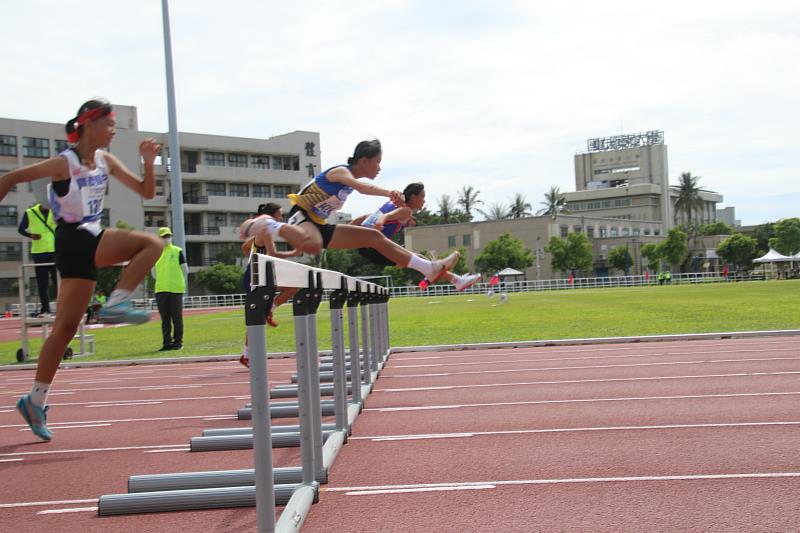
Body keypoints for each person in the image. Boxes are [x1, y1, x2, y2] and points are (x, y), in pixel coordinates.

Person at [1, 98, 164, 441]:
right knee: (152, 244)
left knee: (64, 330)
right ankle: (118, 302)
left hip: (84, 240)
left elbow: (146, 192)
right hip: (75, 236)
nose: (113, 132)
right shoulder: (66, 162)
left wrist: (148, 162)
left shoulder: (106, 160)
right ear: (89, 124)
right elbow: (12, 177)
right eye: (109, 125)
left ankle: (34, 401)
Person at [239, 139, 460, 282]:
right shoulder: (340, 172)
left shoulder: (347, 180)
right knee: (313, 242)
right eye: (377, 162)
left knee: (373, 237)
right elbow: (363, 187)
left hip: (320, 225)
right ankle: (269, 224)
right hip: (302, 218)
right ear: (364, 160)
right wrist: (388, 193)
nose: (379, 168)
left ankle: (427, 268)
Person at [353, 182, 480, 291]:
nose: (424, 201)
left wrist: (340, 234)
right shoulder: (405, 210)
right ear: (413, 197)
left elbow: (364, 217)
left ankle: (455, 279)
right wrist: (380, 223)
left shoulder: (392, 205)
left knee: (419, 259)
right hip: (372, 246)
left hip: (368, 246)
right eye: (422, 197)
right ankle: (447, 276)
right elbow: (386, 217)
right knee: (420, 261)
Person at [239, 203, 300, 368]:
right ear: (272, 216)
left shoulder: (261, 232)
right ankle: (246, 355)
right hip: (256, 276)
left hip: (263, 275)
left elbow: (245, 247)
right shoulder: (265, 230)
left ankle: (268, 311)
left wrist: (255, 256)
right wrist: (294, 253)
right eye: (279, 215)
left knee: (293, 287)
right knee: (256, 316)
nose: (281, 218)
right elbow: (273, 254)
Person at [152, 227, 188, 351]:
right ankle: (166, 343)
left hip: (176, 290)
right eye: (164, 236)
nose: (167, 239)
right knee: (165, 319)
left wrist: (176, 281)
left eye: (168, 236)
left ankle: (178, 342)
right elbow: (153, 272)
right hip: (161, 289)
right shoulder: (155, 253)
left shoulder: (178, 251)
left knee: (177, 318)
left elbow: (185, 270)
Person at [18, 202, 58, 316]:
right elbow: (21, 229)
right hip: (39, 253)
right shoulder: (30, 212)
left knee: (58, 282)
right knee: (42, 283)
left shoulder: (56, 211)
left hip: (54, 251)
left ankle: (63, 308)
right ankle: (46, 309)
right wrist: (30, 235)